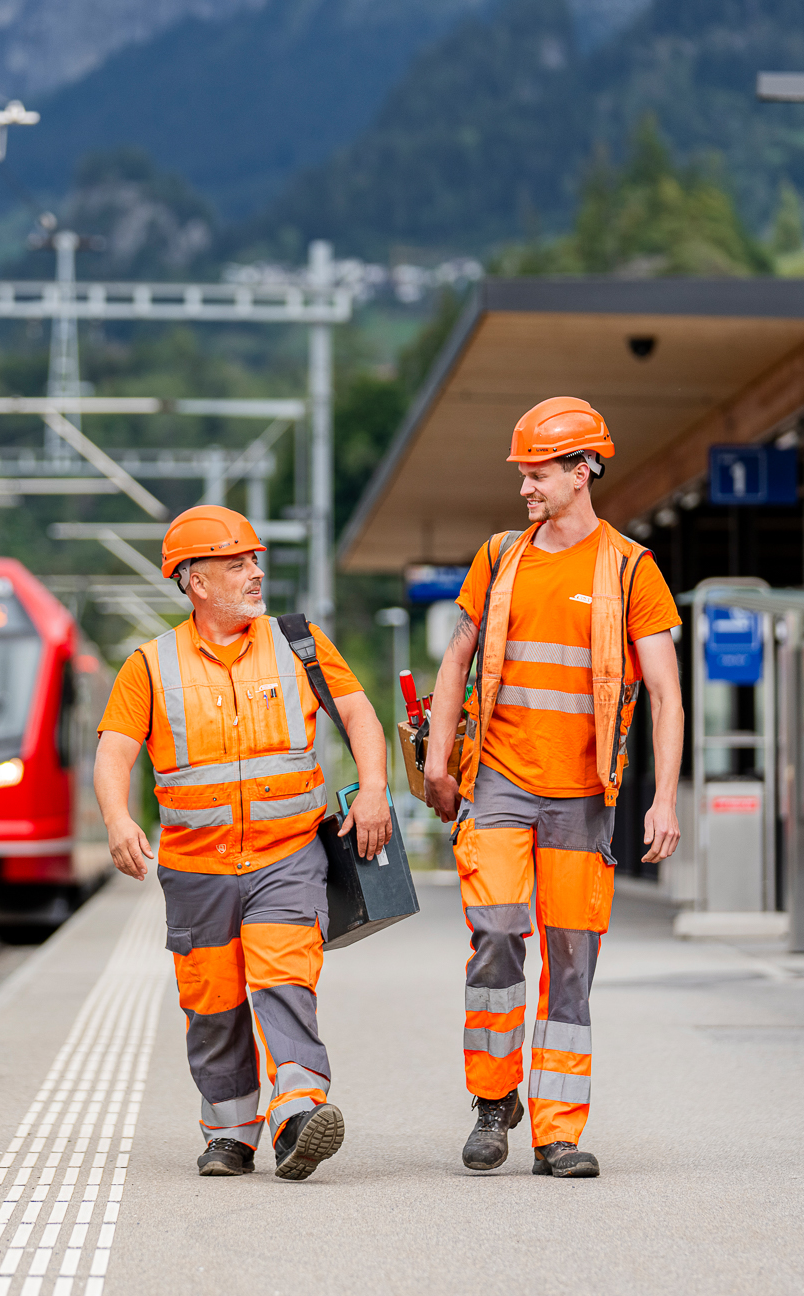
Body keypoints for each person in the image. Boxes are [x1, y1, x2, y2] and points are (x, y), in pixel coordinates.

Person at [421, 396, 684, 1178]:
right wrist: (438, 762)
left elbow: (666, 693)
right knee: (497, 933)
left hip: (582, 796)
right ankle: (492, 1099)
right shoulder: (499, 557)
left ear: (582, 470)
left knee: (571, 960)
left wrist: (664, 797)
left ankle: (558, 1132)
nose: (525, 487)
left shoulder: (631, 569)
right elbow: (456, 660)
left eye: (537, 473)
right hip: (499, 780)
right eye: (524, 473)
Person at [95, 504, 392, 1181]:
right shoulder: (150, 665)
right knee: (213, 1004)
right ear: (196, 581)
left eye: (255, 559)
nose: (256, 572)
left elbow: (358, 713)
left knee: (283, 980)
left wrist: (374, 787)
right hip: (196, 868)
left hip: (286, 855)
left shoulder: (298, 643)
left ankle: (299, 1114)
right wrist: (116, 818)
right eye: (237, 564)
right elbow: (114, 750)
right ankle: (230, 1134)